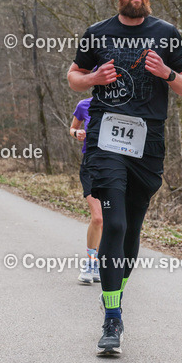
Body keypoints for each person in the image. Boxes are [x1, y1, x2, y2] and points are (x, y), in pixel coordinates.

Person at [67, 0, 182, 356]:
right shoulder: (97, 34)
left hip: (147, 144)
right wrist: (93, 81)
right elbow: (73, 75)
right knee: (114, 222)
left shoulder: (166, 34)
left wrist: (167, 73)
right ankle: (111, 318)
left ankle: (115, 302)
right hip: (105, 141)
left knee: (133, 231)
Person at [70, 98, 103, 284]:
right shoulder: (84, 105)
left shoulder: (122, 104)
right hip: (91, 165)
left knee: (110, 221)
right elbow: (72, 128)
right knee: (98, 218)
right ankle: (90, 262)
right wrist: (77, 133)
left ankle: (98, 261)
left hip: (116, 168)